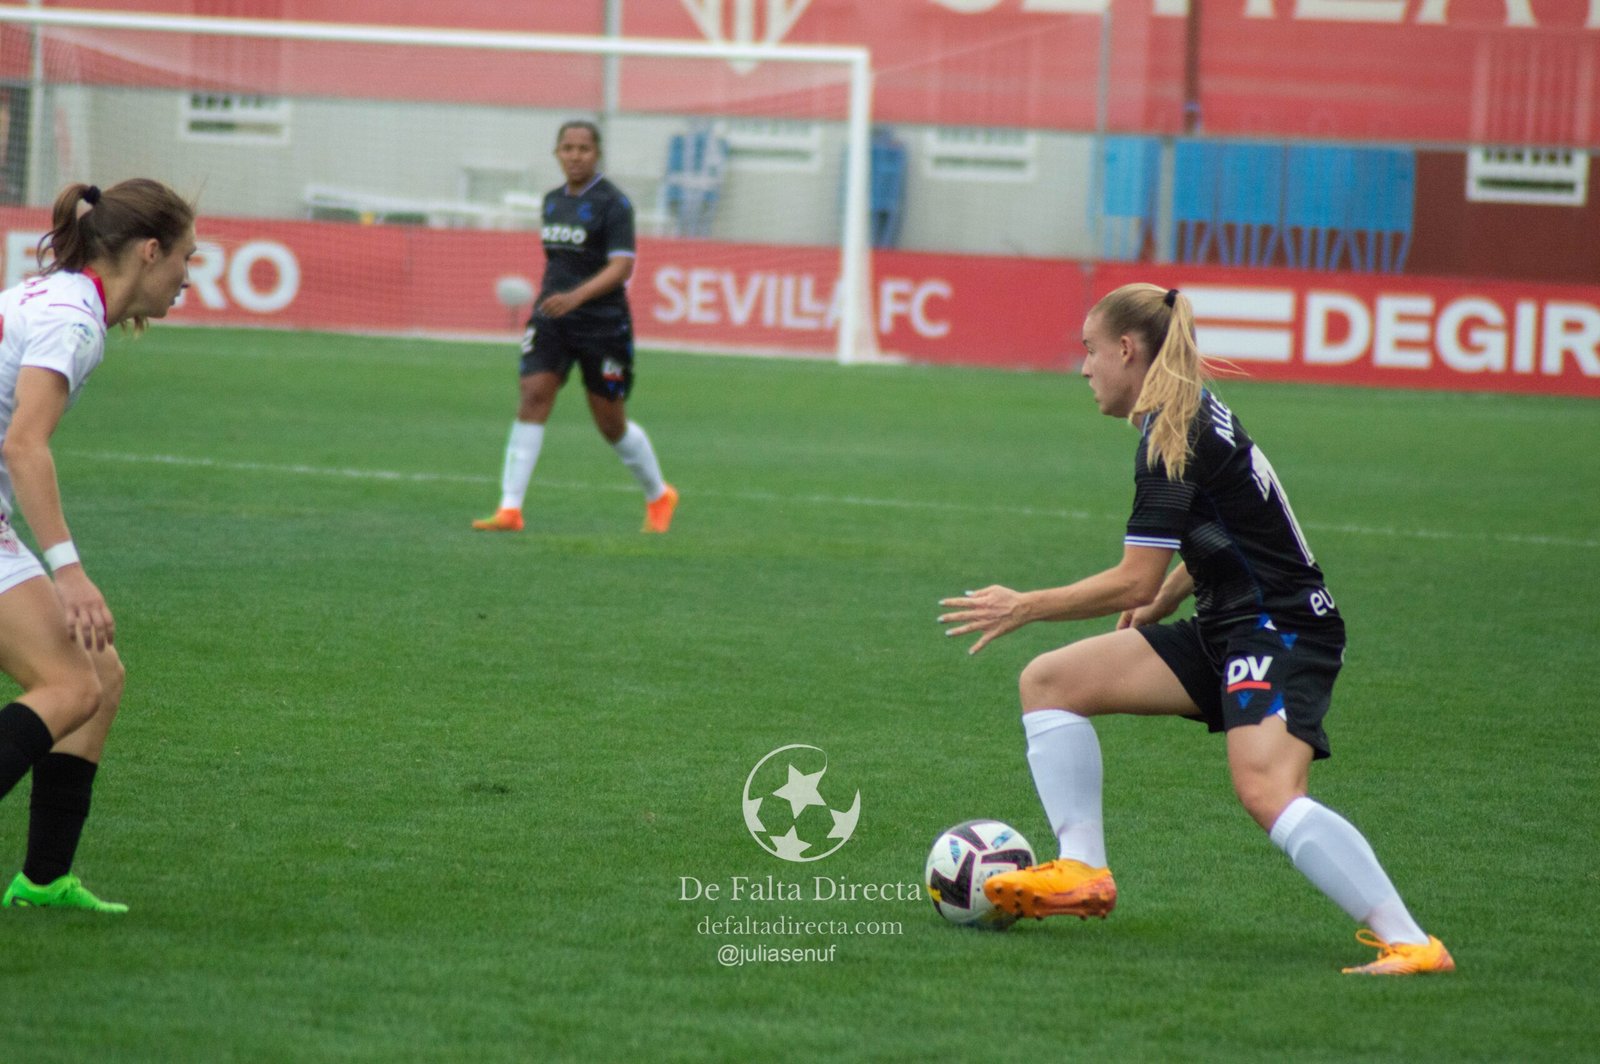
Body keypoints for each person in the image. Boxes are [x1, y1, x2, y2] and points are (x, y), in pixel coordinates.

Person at [938, 283, 1453, 976]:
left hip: (1282, 629)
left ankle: (1412, 943)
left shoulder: (1168, 437)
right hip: (1230, 622)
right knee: (1051, 682)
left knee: (1267, 790)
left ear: (1127, 349)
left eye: (1090, 351)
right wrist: (1170, 596)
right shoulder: (1183, 416)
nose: (1084, 367)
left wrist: (1023, 605)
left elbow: (1132, 580)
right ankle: (1084, 869)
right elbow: (1230, 530)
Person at [0, 179, 196, 913]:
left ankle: (44, 879)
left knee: (98, 674)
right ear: (149, 252)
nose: (188, 277)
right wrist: (70, 574)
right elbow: (25, 446)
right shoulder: (72, 321)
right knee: (70, 685)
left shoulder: (58, 297)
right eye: (186, 258)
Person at [473, 120, 678, 534]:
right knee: (533, 395)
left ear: (596, 153)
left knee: (610, 424)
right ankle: (510, 509)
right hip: (553, 318)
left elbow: (622, 266)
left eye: (583, 148)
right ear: (557, 153)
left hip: (602, 324)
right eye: (567, 148)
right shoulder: (551, 201)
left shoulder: (614, 204)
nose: (575, 155)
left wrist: (577, 297)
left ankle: (659, 494)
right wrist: (559, 301)